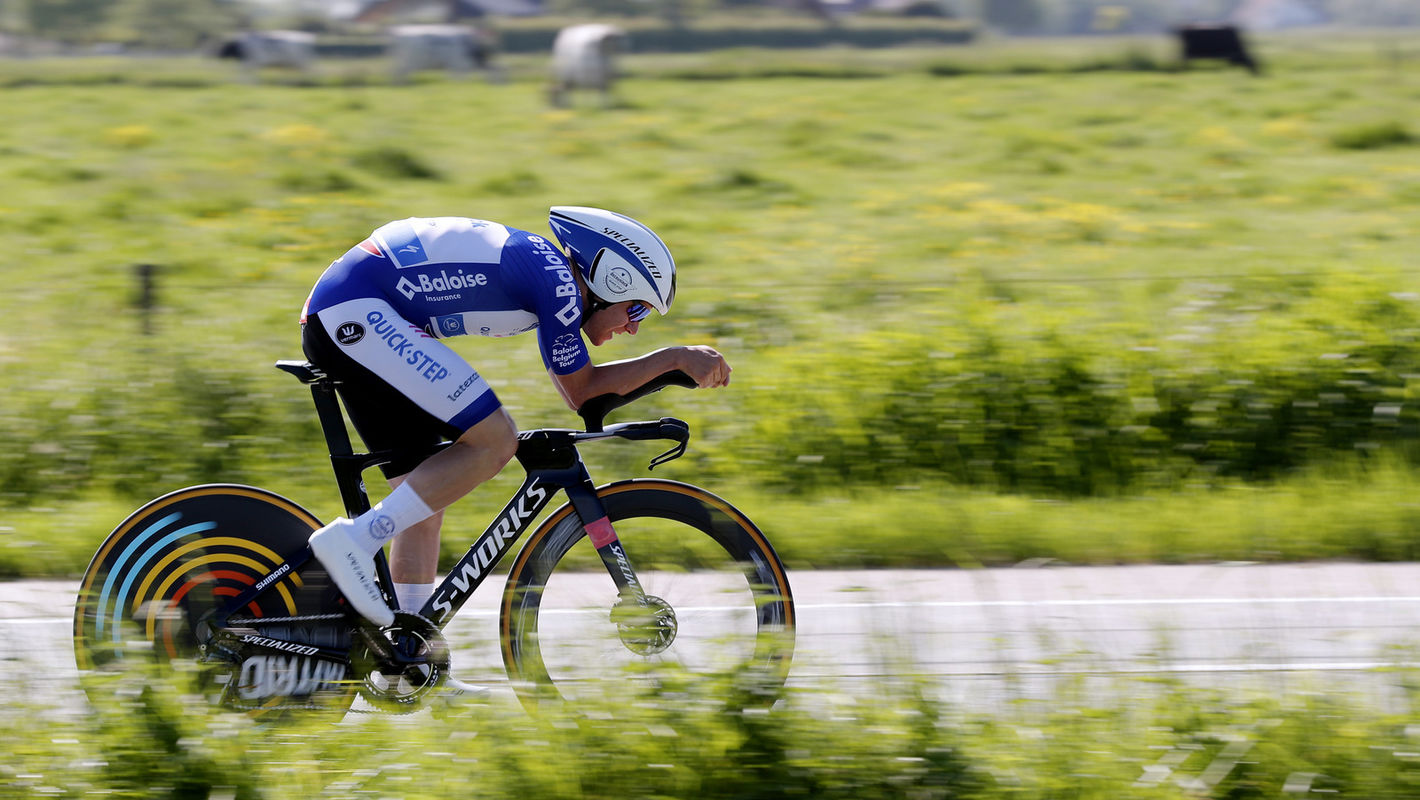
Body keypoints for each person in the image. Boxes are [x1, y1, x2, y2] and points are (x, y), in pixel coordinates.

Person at [299, 208, 731, 644]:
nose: (634, 327)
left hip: (349, 310)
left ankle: (408, 654)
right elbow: (581, 393)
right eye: (635, 307)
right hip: (356, 313)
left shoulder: (550, 272)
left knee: (423, 498)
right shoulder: (560, 284)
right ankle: (355, 540)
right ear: (609, 281)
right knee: (495, 440)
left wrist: (666, 369)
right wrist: (674, 358)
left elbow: (590, 394)